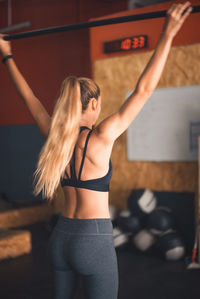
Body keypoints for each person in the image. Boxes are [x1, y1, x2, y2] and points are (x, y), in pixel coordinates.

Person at [0, 2, 192, 298]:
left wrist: (6, 55)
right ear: (93, 105)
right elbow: (143, 90)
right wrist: (167, 33)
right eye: (99, 103)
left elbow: (28, 97)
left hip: (60, 238)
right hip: (94, 240)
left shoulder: (55, 139)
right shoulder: (101, 136)